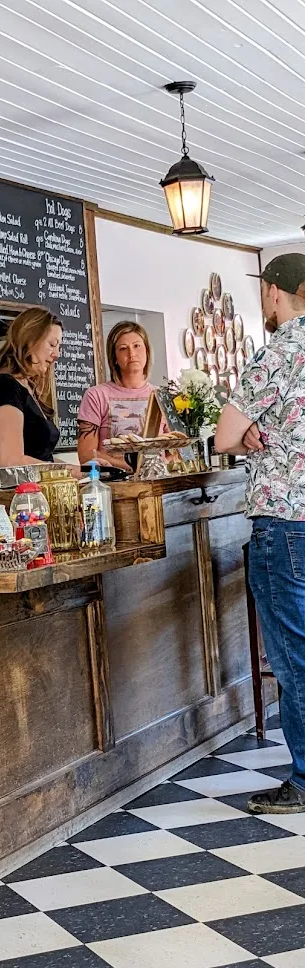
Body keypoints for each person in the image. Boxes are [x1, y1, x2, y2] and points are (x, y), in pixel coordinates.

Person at [215, 252, 305, 815]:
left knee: (295, 656)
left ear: (273, 292)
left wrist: (247, 435)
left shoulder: (280, 349)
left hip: (285, 521)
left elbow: (225, 435)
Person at [0, 307, 82, 479]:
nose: (56, 355)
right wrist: (67, 471)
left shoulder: (27, 386)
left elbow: (42, 459)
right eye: (52, 344)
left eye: (59, 347)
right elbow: (11, 461)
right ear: (30, 340)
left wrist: (83, 469)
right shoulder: (3, 387)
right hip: (19, 498)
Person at [77, 321, 160, 471]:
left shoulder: (162, 396)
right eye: (123, 349)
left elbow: (178, 451)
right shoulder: (96, 395)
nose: (132, 354)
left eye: (137, 346)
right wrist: (133, 467)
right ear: (114, 357)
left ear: (147, 351)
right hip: (114, 484)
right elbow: (86, 455)